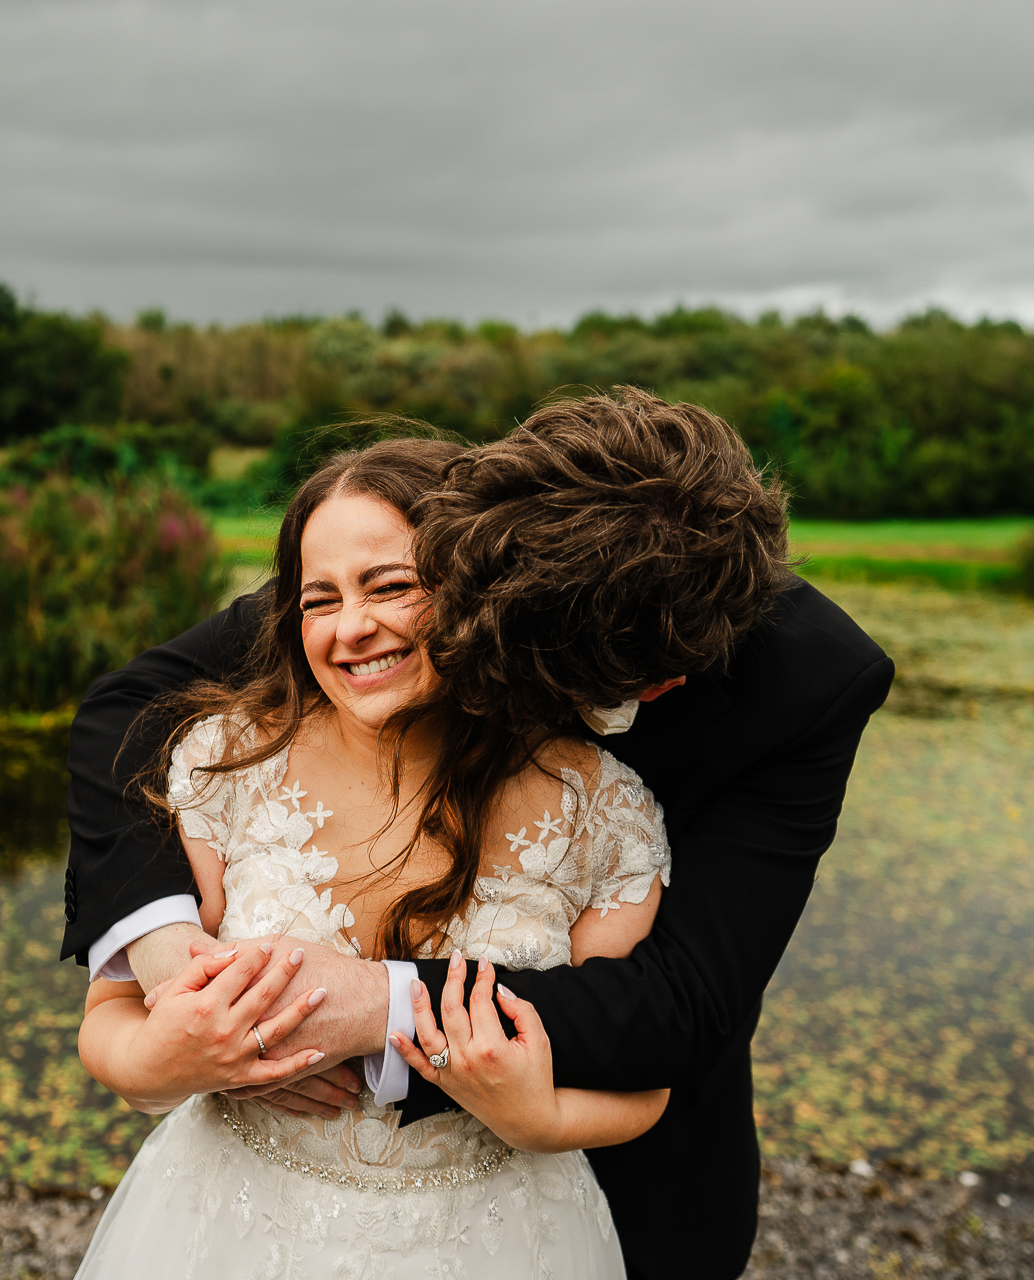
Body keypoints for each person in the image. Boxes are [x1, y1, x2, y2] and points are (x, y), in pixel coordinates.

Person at [60, 389, 894, 1280]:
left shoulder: (807, 686)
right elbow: (129, 709)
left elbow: (681, 1002)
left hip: (591, 1172)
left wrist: (376, 1010)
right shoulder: (432, 547)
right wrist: (180, 974)